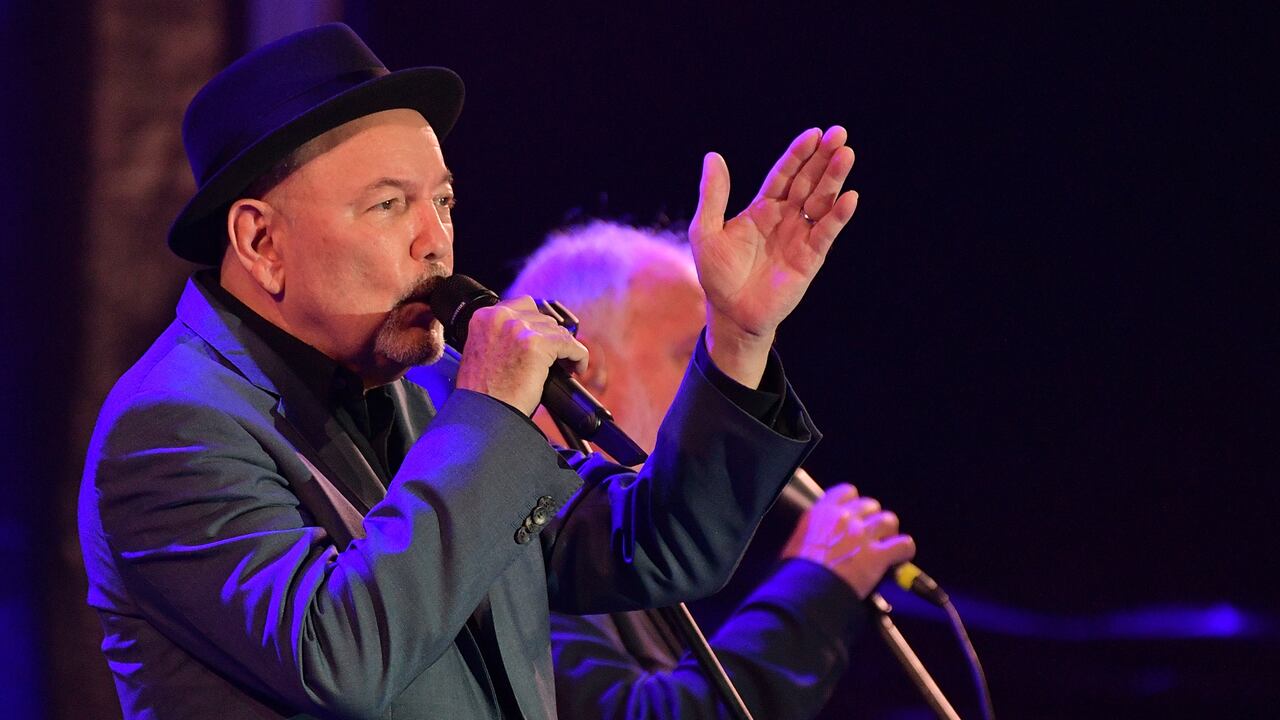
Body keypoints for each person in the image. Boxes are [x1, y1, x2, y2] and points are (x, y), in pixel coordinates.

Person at [77, 23, 860, 720]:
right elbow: (339, 661)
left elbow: (650, 546)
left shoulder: (426, 389)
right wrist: (487, 417)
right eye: (389, 206)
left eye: (443, 202)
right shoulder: (173, 430)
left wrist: (739, 337)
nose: (436, 242)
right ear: (261, 244)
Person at [506, 222, 916, 719]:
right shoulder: (513, 533)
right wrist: (815, 588)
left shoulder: (625, 552)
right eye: (692, 356)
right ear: (584, 366)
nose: (717, 390)